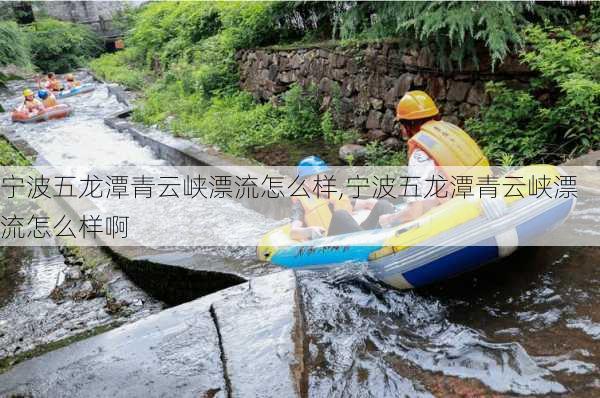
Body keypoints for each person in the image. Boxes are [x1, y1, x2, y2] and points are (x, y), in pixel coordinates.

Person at [378, 90, 489, 227]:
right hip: (482, 198)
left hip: (460, 216)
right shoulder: (451, 132)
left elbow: (414, 213)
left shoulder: (420, 155)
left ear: (408, 125)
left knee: (386, 221)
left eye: (401, 124)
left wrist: (389, 220)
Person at [289, 156, 395, 240]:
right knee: (341, 214)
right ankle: (370, 242)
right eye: (318, 179)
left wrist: (375, 204)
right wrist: (309, 231)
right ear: (306, 182)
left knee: (382, 204)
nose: (324, 182)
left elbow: (365, 203)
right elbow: (293, 232)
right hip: (330, 240)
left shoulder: (332, 194)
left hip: (355, 235)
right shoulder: (300, 202)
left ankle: (394, 236)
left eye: (324, 178)